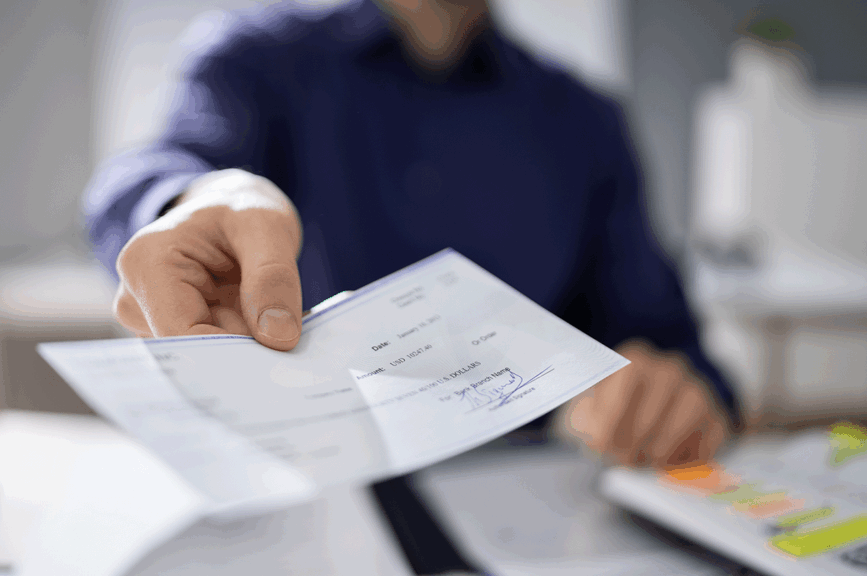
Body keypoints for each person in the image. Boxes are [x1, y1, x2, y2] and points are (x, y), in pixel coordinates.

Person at [84, 0, 737, 571]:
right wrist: (192, 198)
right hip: (302, 517)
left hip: (538, 528)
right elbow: (147, 173)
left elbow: (672, 343)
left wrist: (678, 395)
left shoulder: (586, 120)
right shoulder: (254, 62)